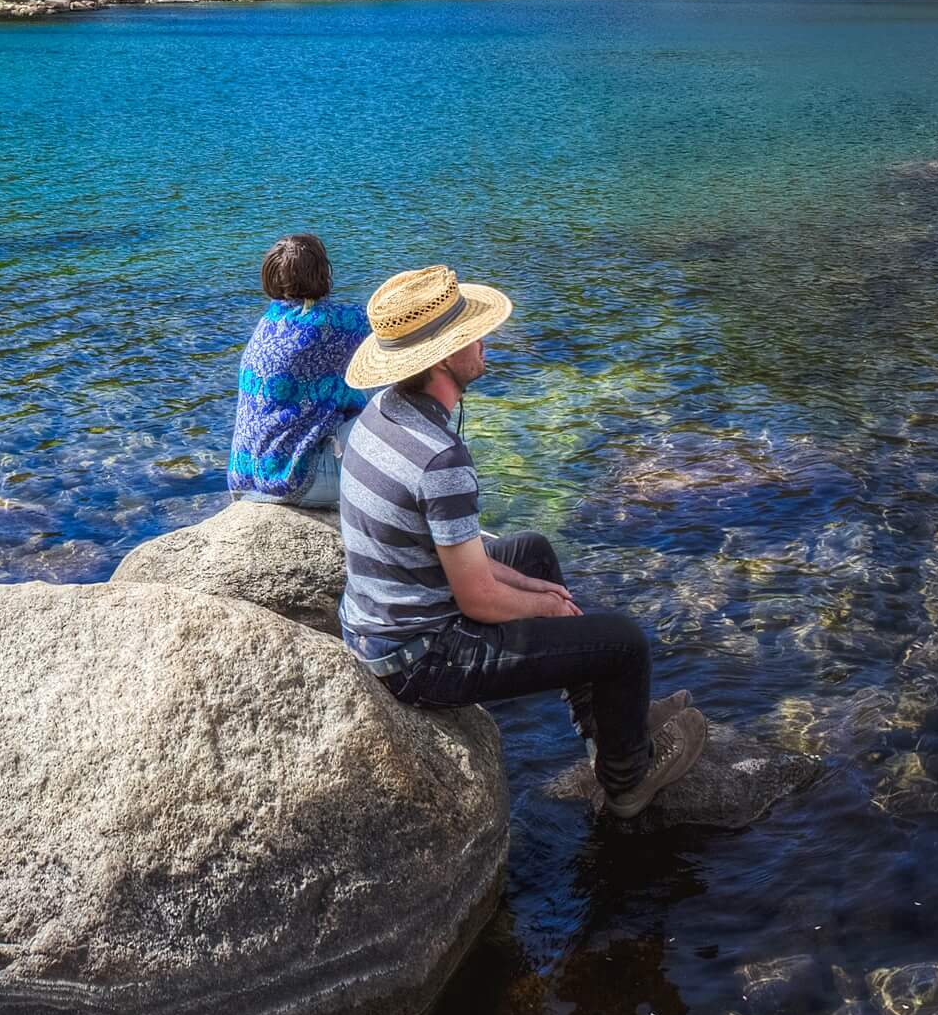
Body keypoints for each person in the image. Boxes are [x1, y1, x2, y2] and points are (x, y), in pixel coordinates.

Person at [337, 263, 705, 818]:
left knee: (532, 550)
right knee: (624, 644)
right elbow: (477, 601)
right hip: (420, 657)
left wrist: (534, 586)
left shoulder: (381, 413)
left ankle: (606, 730)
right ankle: (628, 778)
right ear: (441, 358)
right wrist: (547, 607)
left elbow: (459, 559)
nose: (484, 343)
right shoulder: (439, 458)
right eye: (469, 337)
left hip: (380, 624)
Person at [230, 233, 370, 507]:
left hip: (244, 478)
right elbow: (391, 331)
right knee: (395, 409)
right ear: (324, 274)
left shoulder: (269, 321)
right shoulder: (336, 322)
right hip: (291, 481)